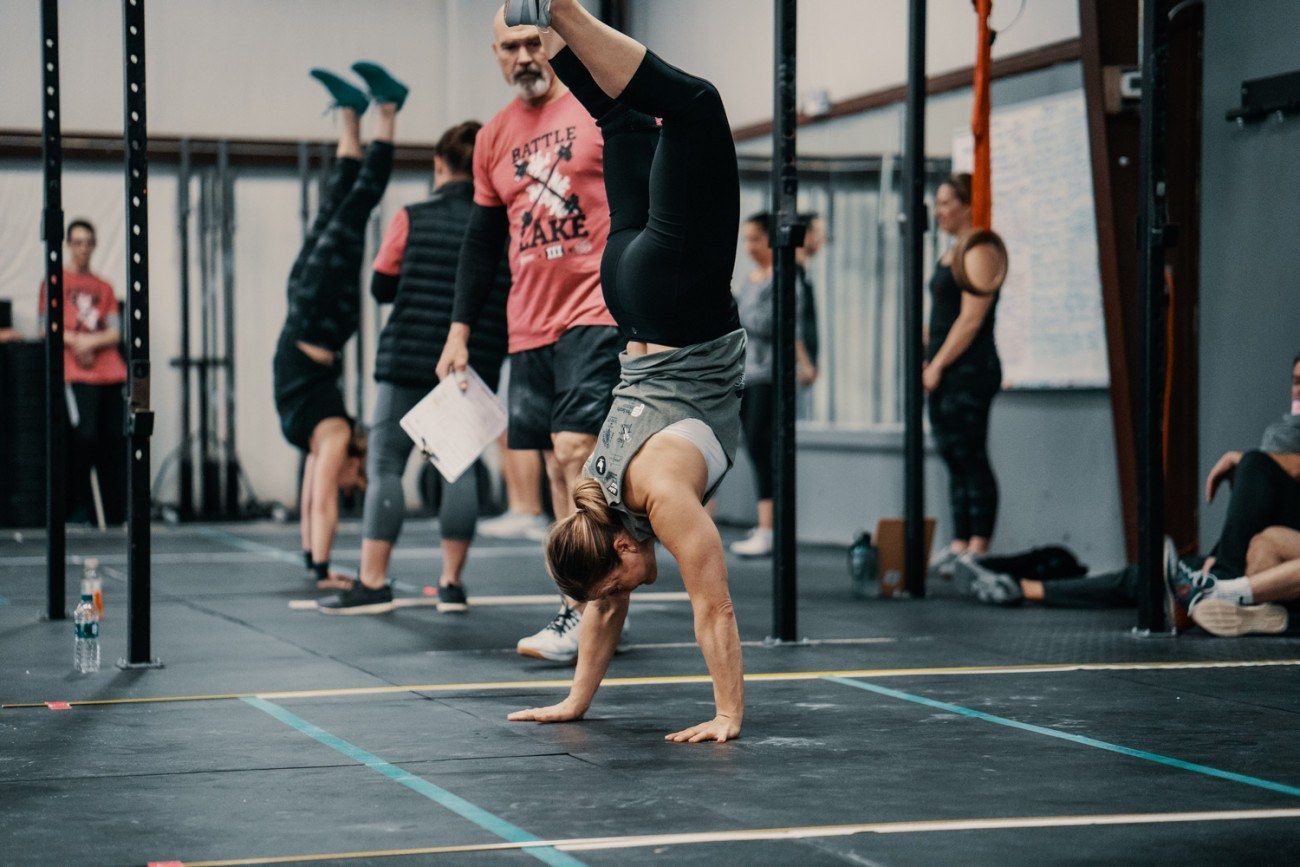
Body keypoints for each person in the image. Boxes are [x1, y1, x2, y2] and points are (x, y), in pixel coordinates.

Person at [501, 0, 746, 744]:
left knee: (696, 106)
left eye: (612, 581)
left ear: (623, 547)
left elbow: (716, 606)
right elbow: (601, 602)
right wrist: (576, 701)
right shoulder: (597, 504)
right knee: (628, 125)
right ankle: (547, 26)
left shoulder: (663, 500)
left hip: (674, 300)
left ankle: (562, 11)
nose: (613, 599)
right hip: (628, 292)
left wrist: (727, 712)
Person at [436, 8, 623, 662]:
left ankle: (594, 606)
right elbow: (482, 243)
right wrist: (459, 333)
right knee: (552, 465)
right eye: (510, 46)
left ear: (555, 41)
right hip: (528, 325)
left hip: (595, 310)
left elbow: (645, 203)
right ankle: (581, 601)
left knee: (576, 452)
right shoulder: (492, 138)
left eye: (532, 41)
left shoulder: (596, 109)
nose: (523, 55)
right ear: (496, 54)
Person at [320, 121, 511, 615]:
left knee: (385, 465)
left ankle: (373, 581)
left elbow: (381, 285)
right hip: (476, 355)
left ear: (438, 165)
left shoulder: (412, 216)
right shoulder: (502, 222)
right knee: (458, 466)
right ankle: (451, 584)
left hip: (408, 354)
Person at [274, 62, 406, 591]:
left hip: (307, 312)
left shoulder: (321, 436)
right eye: (361, 476)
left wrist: (313, 560)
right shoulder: (331, 431)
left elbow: (312, 494)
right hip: (319, 314)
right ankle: (388, 111)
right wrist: (325, 570)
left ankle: (352, 117)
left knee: (332, 209)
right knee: (352, 211)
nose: (353, 481)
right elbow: (324, 497)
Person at [925, 173, 1006, 574]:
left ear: (967, 205)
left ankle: (979, 545)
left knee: (971, 455)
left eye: (944, 202)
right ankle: (959, 543)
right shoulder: (951, 252)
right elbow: (942, 317)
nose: (938, 211)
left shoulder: (980, 249)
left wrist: (938, 364)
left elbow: (971, 320)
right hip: (944, 369)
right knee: (952, 455)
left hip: (970, 370)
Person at [730, 212, 817, 558]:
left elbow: (780, 324)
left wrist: (805, 362)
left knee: (763, 447)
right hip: (747, 373)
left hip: (770, 374)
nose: (749, 247)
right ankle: (766, 525)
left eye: (754, 239)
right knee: (754, 446)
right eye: (746, 240)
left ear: (770, 239)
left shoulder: (785, 279)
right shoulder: (752, 281)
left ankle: (769, 528)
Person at [38, 219, 128, 525]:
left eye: (88, 242)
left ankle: (114, 512)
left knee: (113, 441)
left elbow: (116, 333)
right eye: (77, 242)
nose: (83, 249)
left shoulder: (105, 288)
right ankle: (76, 509)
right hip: (75, 375)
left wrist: (92, 341)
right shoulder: (53, 283)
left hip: (110, 373)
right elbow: (45, 328)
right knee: (82, 438)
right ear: (67, 245)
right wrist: (76, 343)